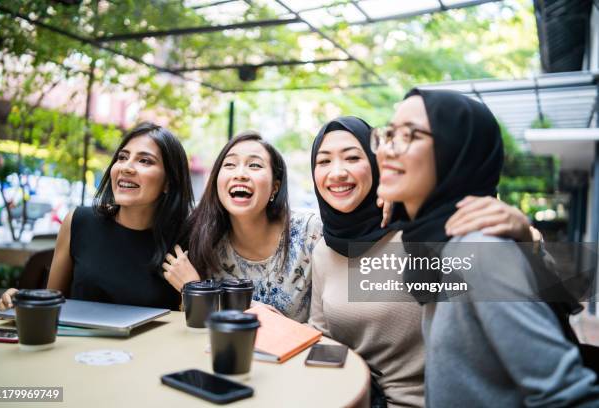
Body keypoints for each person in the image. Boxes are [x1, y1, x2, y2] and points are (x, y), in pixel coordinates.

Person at [375, 89, 599, 406]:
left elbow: (569, 396)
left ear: (457, 152)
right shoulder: (432, 242)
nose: (387, 149)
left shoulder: (479, 251)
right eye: (388, 133)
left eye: (411, 135)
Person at [308, 116, 542, 407]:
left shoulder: (419, 233)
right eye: (324, 161)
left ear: (378, 163)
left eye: (353, 157)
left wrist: (525, 234)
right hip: (355, 397)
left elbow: (533, 288)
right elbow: (321, 336)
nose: (337, 172)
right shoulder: (323, 251)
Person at [0, 122, 193, 315]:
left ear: (169, 182)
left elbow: (191, 328)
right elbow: (50, 305)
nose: (126, 167)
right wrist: (18, 304)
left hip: (151, 351)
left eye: (144, 161)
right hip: (76, 350)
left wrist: (192, 289)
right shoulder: (78, 222)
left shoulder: (188, 238)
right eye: (122, 157)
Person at [162, 131, 322, 322]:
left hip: (300, 350)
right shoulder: (199, 233)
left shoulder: (310, 232)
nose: (240, 174)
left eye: (255, 165)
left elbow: (325, 325)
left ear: (275, 187)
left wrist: (196, 288)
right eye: (229, 164)